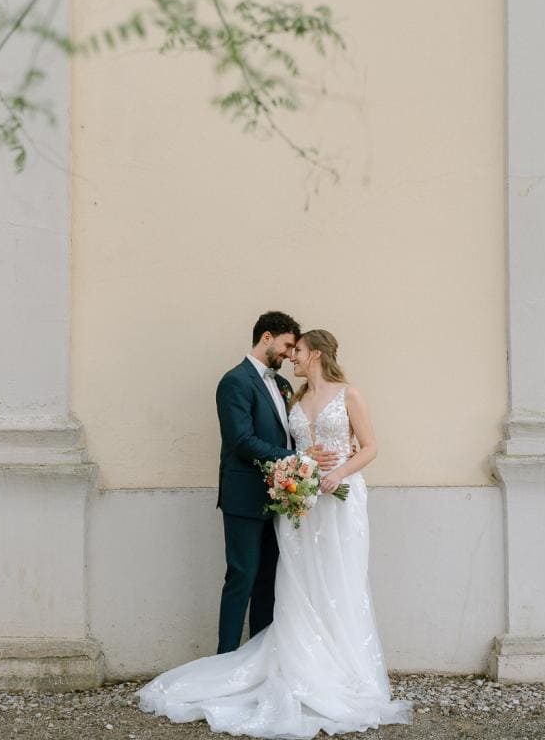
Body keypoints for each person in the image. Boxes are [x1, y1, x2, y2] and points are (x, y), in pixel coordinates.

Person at [138, 328, 412, 738]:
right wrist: (298, 469)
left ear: (316, 354)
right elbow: (272, 442)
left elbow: (370, 447)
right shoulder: (294, 397)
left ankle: (341, 670)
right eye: (289, 348)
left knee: (339, 580)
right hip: (300, 503)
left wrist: (337, 472)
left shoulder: (348, 394)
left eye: (298, 350)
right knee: (296, 583)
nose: (291, 357)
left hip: (339, 500)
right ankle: (279, 664)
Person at [214, 311, 338, 654]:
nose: (288, 354)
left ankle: (259, 658)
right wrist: (293, 460)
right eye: (286, 346)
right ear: (266, 337)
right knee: (242, 576)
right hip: (244, 497)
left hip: (282, 497)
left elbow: (291, 436)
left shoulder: (284, 386)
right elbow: (241, 441)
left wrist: (318, 455)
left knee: (269, 581)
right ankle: (224, 659)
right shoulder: (234, 382)